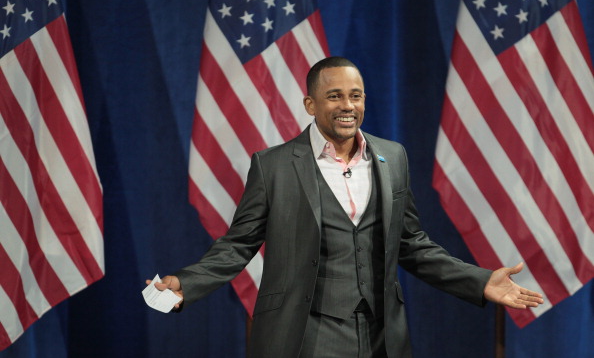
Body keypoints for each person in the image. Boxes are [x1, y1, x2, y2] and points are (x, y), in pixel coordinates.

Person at [148, 56, 543, 358]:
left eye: (355, 96)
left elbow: (412, 244)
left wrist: (479, 281)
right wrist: (186, 282)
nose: (347, 105)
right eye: (334, 95)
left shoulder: (393, 157)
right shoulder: (273, 166)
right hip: (304, 332)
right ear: (310, 103)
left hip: (381, 333)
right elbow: (238, 244)